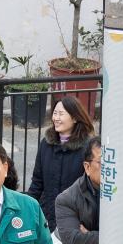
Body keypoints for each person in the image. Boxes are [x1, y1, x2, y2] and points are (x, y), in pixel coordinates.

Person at [26, 96, 95, 232]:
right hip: (47, 217)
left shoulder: (88, 147)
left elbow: (93, 190)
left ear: (75, 118)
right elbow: (37, 183)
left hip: (76, 221)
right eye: (55, 113)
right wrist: (26, 210)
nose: (56, 118)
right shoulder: (46, 143)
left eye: (61, 114)